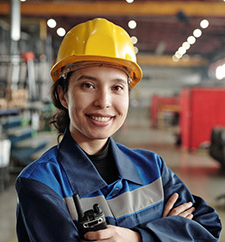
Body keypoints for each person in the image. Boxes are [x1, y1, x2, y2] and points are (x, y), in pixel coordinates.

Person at [15, 18, 221, 242]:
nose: (104, 101)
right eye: (88, 85)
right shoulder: (41, 183)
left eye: (117, 87)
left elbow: (209, 227)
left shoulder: (152, 167)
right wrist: (170, 229)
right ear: (63, 95)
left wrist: (138, 237)